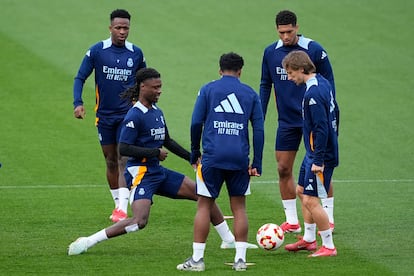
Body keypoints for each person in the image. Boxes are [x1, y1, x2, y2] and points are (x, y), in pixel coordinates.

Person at [68, 67, 258, 257]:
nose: (160, 91)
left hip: (157, 171)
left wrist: (192, 157)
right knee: (139, 221)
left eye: (160, 87)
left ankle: (229, 240)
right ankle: (88, 241)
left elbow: (167, 140)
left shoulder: (156, 111)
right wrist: (153, 152)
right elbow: (123, 149)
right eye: (156, 87)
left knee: (203, 194)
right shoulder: (134, 115)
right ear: (143, 87)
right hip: (142, 173)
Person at [177, 53, 265, 271]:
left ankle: (197, 260)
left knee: (204, 205)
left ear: (220, 70)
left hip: (213, 157)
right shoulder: (251, 94)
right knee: (240, 208)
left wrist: (195, 151)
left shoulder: (208, 89)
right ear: (240, 71)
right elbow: (259, 130)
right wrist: (257, 162)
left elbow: (196, 122)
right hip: (239, 159)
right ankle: (240, 260)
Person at [259, 10, 337, 233]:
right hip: (287, 121)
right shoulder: (270, 53)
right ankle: (292, 221)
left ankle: (328, 216)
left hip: (313, 120)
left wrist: (331, 114)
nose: (285, 37)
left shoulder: (314, 50)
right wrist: (260, 116)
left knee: (318, 168)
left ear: (297, 27)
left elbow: (328, 83)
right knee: (283, 168)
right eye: (281, 32)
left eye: (289, 32)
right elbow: (266, 85)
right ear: (277, 30)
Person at [73, 9, 147, 222]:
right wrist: (78, 103)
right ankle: (118, 203)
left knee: (124, 157)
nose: (123, 32)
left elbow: (145, 80)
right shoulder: (97, 51)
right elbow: (80, 77)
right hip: (104, 116)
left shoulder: (136, 53)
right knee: (111, 160)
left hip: (127, 115)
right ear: (110, 28)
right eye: (119, 28)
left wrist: (140, 103)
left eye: (126, 28)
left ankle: (122, 208)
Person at [282, 50, 338, 257]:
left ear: (301, 69)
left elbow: (322, 128)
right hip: (313, 152)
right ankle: (308, 239)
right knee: (301, 190)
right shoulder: (323, 83)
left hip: (318, 155)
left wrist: (319, 159)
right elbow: (336, 114)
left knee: (311, 200)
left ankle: (329, 246)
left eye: (290, 73)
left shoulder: (313, 94)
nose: (289, 78)